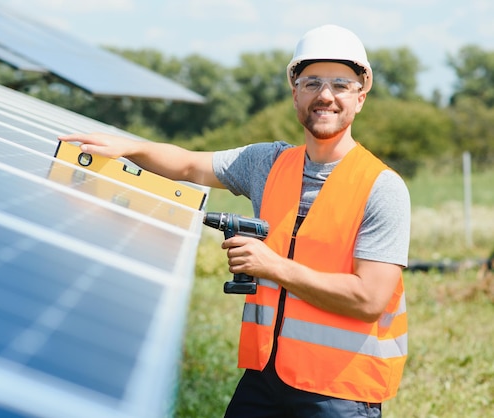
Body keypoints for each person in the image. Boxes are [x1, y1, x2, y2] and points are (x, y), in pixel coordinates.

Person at [59, 24, 410, 418]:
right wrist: (129, 147)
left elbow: (369, 299)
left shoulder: (382, 188)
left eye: (340, 85)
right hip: (266, 377)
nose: (324, 96)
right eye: (311, 82)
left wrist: (271, 266)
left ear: (360, 97)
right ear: (295, 93)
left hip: (339, 393)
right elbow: (191, 164)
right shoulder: (268, 162)